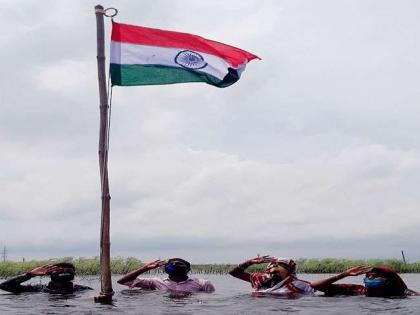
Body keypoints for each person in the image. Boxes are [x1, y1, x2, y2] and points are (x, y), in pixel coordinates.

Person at [117, 258, 215, 293]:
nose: (176, 268)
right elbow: (122, 281)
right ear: (167, 269)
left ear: (188, 270)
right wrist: (145, 268)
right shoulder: (155, 282)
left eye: (179, 266)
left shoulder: (203, 283)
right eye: (172, 266)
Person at [311, 265, 419, 297]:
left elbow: (394, 276)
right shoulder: (360, 291)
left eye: (374, 276)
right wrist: (344, 274)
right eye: (368, 276)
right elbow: (315, 286)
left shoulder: (400, 292)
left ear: (388, 280)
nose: (370, 278)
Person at [229, 255, 314, 296]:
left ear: (289, 270)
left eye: (280, 265)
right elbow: (234, 272)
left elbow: (316, 287)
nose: (274, 266)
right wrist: (249, 262)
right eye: (273, 264)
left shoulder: (297, 284)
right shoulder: (261, 279)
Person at [0, 262, 92, 294]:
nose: (64, 272)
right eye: (60, 270)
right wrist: (30, 274)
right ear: (50, 274)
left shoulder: (82, 290)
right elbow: (4, 286)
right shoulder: (38, 289)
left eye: (67, 270)